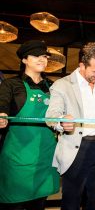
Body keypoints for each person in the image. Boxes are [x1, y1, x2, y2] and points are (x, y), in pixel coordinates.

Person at [45, 42, 95, 210]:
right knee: (71, 200)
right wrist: (62, 121)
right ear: (82, 65)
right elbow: (51, 116)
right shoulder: (62, 85)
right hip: (77, 148)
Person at [0, 40, 59, 209]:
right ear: (24, 60)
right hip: (17, 156)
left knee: (39, 204)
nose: (42, 60)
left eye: (44, 56)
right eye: (36, 56)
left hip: (44, 157)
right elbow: (2, 103)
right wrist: (2, 114)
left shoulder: (53, 87)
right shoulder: (11, 84)